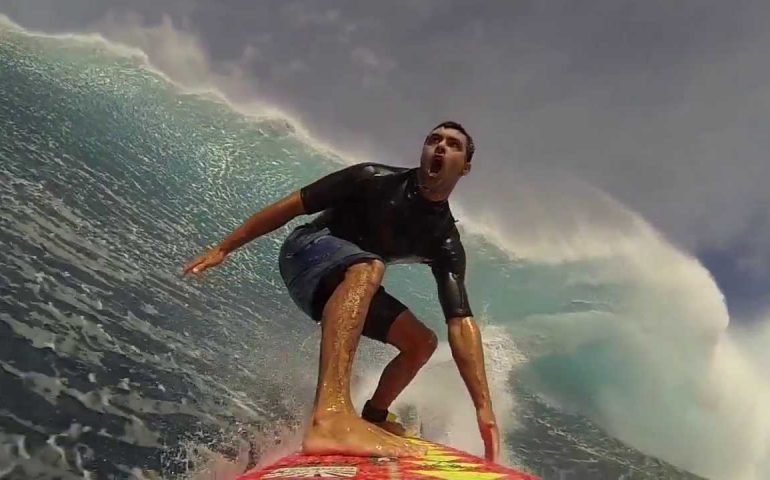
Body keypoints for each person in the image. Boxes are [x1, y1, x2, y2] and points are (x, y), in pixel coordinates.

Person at [183, 121, 499, 461]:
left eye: (452, 144)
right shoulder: (371, 178)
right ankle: (330, 416)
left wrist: (484, 408)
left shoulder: (444, 239)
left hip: (347, 280)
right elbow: (290, 206)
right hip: (305, 252)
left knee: (421, 343)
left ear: (464, 167)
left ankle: (374, 416)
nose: (439, 147)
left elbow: (460, 321)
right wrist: (224, 248)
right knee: (370, 267)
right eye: (433, 139)